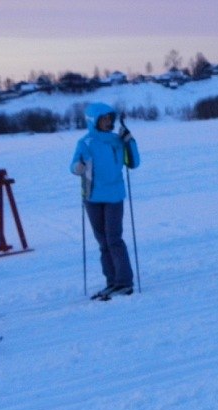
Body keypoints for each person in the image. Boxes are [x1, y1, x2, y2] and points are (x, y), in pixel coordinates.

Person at [70, 102, 139, 300]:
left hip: (114, 196)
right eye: (104, 119)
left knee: (114, 239)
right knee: (103, 242)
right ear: (94, 121)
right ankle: (112, 281)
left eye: (110, 118)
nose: (108, 122)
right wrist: (78, 167)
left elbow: (133, 163)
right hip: (91, 197)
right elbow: (73, 165)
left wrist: (130, 141)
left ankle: (124, 282)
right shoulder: (85, 143)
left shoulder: (117, 140)